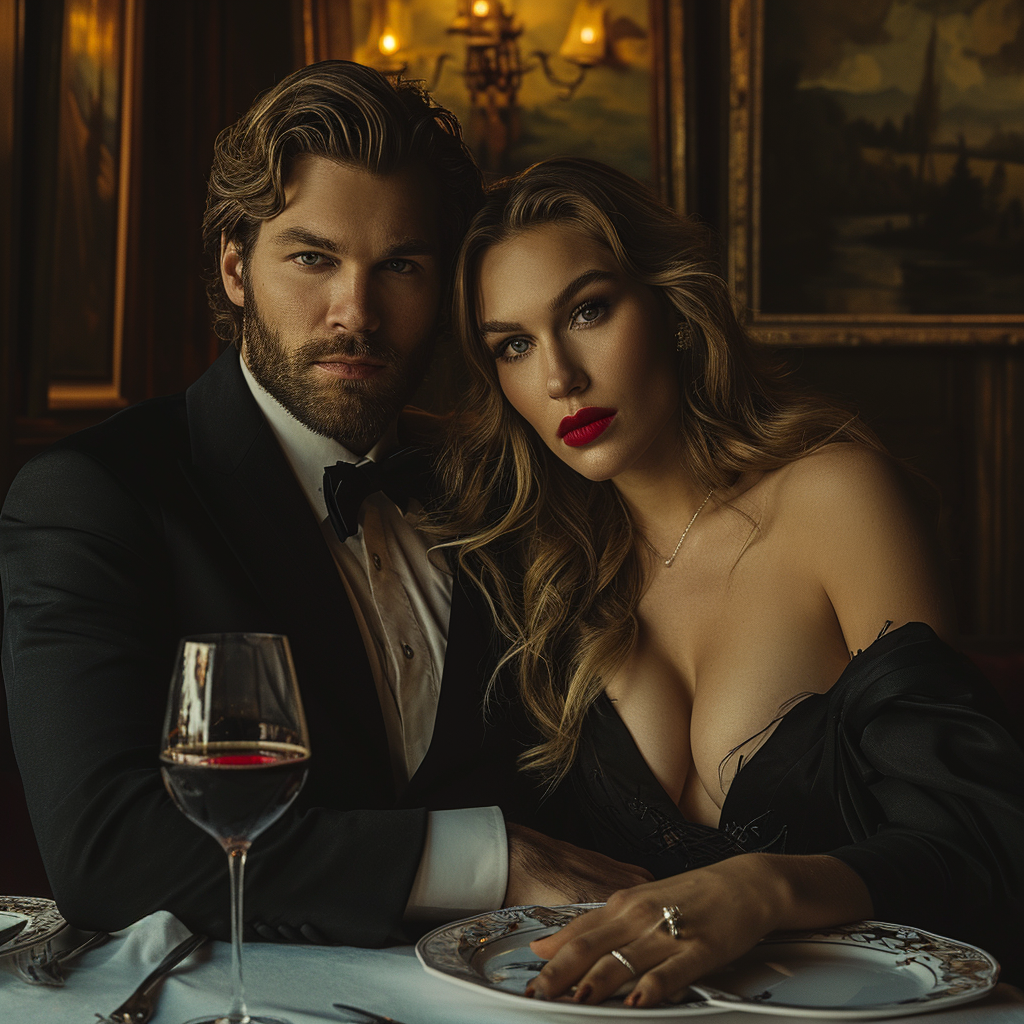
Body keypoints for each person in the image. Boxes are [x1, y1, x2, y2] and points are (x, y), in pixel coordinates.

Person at [0, 65, 647, 947]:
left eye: (402, 266)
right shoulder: (94, 496)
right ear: (236, 268)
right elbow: (108, 853)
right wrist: (491, 860)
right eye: (313, 258)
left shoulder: (501, 481)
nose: (358, 312)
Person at [433, 156, 1024, 1003]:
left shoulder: (834, 497)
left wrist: (763, 888)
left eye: (589, 311)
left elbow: (982, 841)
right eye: (515, 346)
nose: (559, 376)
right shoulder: (539, 567)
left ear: (670, 305)